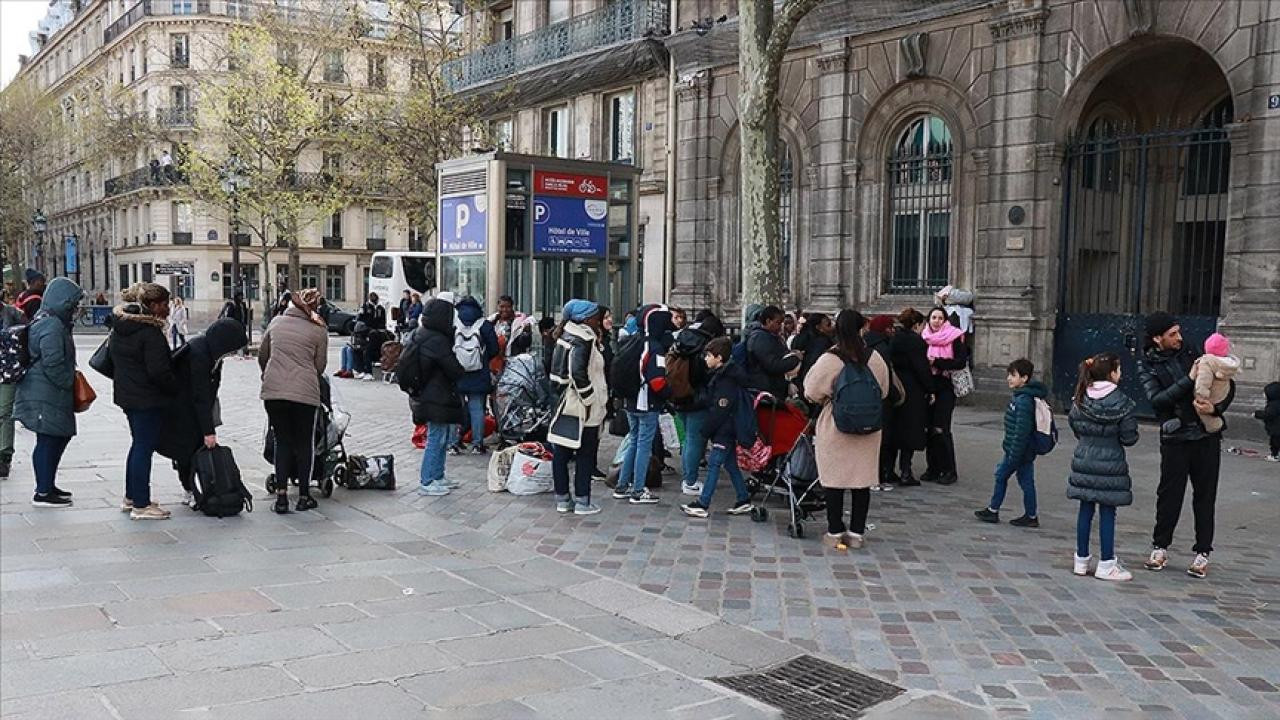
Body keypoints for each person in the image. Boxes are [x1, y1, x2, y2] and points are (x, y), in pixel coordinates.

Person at [1139, 312, 1234, 579]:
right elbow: (1158, 400)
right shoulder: (1148, 364)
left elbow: (1226, 385)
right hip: (1175, 439)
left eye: (1179, 331)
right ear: (1157, 338)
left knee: (1205, 495)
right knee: (1169, 494)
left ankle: (1203, 552)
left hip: (1205, 435)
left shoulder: (1193, 351)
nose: (1179, 338)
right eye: (1172, 334)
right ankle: (1160, 547)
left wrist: (1215, 409)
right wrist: (1189, 379)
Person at [803, 310, 890, 551]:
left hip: (836, 425)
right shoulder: (875, 357)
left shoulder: (830, 359)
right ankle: (857, 533)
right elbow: (884, 390)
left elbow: (811, 391)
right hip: (869, 427)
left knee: (834, 480)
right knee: (862, 480)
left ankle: (834, 530)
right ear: (862, 328)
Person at [157, 318, 247, 507]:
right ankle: (191, 489)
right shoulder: (200, 355)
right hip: (183, 410)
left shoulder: (209, 352)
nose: (232, 353)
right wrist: (208, 431)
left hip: (189, 408)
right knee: (188, 450)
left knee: (192, 449)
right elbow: (200, 395)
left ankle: (193, 488)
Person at [110, 282, 179, 520]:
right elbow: (159, 371)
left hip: (128, 394)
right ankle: (141, 504)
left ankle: (132, 496)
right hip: (147, 398)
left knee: (138, 445)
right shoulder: (149, 333)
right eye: (164, 304)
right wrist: (174, 388)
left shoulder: (121, 328)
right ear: (152, 305)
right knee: (143, 448)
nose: (168, 309)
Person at [1069, 352, 1139, 581]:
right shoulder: (1122, 402)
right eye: (1118, 369)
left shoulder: (1080, 397)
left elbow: (1075, 426)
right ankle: (1106, 562)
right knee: (1108, 511)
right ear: (1112, 373)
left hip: (1084, 458)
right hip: (1111, 462)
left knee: (1085, 509)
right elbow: (1129, 437)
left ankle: (1081, 559)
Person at [14, 278, 84, 507]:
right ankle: (43, 491)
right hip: (46, 391)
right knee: (48, 438)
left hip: (47, 390)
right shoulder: (51, 325)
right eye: (73, 303)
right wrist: (67, 382)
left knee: (57, 436)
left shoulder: (47, 320)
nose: (75, 308)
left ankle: (47, 484)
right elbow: (52, 361)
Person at [259, 288, 328, 513]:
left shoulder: (276, 322)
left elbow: (263, 355)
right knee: (304, 443)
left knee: (282, 441)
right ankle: (304, 496)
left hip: (274, 393)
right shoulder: (319, 329)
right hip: (304, 394)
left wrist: (269, 374)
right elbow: (320, 366)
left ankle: (281, 498)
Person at [680, 337, 753, 518]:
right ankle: (743, 498)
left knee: (714, 464)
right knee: (730, 465)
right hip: (727, 427)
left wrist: (706, 430)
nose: (705, 358)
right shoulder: (724, 375)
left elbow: (721, 409)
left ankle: (703, 503)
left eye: (709, 355)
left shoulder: (726, 379)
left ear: (719, 358)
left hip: (724, 429)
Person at [548, 300, 608, 515]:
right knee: (585, 454)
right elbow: (578, 372)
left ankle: (563, 499)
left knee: (561, 453)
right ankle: (583, 501)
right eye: (595, 317)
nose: (598, 320)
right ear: (585, 319)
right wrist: (590, 398)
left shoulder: (566, 335)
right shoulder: (583, 339)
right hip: (582, 406)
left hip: (565, 403)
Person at [975, 358, 1046, 527]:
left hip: (1017, 450)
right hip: (1022, 450)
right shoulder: (1022, 397)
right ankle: (1030, 515)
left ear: (1024, 378)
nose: (1009, 378)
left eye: (1013, 375)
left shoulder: (1023, 400)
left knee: (1002, 476)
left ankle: (994, 510)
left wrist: (1014, 454)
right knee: (1026, 482)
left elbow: (1021, 431)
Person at [614, 304, 673, 504]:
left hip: (631, 400)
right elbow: (657, 381)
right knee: (643, 446)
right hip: (647, 402)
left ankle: (622, 485)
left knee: (634, 441)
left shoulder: (634, 341)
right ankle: (638, 490)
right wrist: (668, 395)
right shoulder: (655, 348)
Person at [408, 298, 466, 496]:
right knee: (436, 437)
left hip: (427, 393)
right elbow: (453, 368)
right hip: (436, 396)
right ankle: (428, 480)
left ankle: (438, 475)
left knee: (440, 436)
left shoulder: (420, 333)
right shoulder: (437, 340)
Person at [671, 312, 725, 497]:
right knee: (694, 440)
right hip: (698, 397)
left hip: (679, 394)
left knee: (688, 439)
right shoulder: (705, 346)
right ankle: (690, 481)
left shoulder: (682, 338)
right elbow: (705, 374)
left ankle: (688, 477)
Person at [921, 307, 968, 485]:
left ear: (945, 320)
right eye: (933, 317)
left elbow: (960, 362)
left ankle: (949, 470)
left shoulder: (954, 336)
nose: (936, 321)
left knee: (941, 428)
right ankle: (932, 468)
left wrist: (937, 362)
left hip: (946, 387)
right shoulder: (924, 337)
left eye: (940, 318)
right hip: (929, 386)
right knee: (929, 429)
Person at [452, 295, 499, 455]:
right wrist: (483, 360)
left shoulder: (454, 323)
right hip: (479, 373)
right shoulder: (483, 324)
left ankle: (453, 443)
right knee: (477, 409)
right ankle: (477, 444)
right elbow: (494, 348)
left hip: (457, 372)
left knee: (456, 408)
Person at [889, 309, 930, 486]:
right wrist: (930, 388)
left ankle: (888, 470)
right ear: (916, 325)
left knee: (895, 430)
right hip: (913, 389)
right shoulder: (916, 342)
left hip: (896, 387)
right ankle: (906, 471)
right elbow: (921, 368)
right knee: (910, 431)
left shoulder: (894, 338)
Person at [863, 314, 900, 491]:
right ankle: (877, 476)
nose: (893, 331)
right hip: (882, 399)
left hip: (869, 397)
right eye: (890, 327)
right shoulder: (882, 348)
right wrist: (894, 395)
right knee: (883, 440)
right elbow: (886, 376)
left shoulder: (866, 344)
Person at [744, 305, 802, 399]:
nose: (780, 326)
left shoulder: (768, 336)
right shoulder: (760, 338)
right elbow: (773, 365)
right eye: (778, 323)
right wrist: (795, 359)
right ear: (768, 321)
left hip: (771, 386)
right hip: (765, 389)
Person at [0, 290, 27, 479]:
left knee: (5, 412)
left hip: (7, 370)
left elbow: (27, 332)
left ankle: (4, 456)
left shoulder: (12, 313)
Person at [1190, 332, 1239, 435]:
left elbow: (1204, 379)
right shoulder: (1227, 364)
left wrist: (1201, 394)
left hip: (1208, 394)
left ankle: (1214, 426)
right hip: (1222, 393)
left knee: (1203, 412)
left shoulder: (1206, 362)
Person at [793, 312, 833, 387]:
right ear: (818, 327)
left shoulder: (800, 338)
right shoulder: (823, 343)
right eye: (828, 325)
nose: (832, 327)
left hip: (800, 381)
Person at [354, 292, 387, 380]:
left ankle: (368, 372)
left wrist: (379, 328)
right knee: (359, 350)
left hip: (376, 334)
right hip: (366, 332)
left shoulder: (380, 309)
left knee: (367, 351)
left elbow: (383, 322)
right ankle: (361, 370)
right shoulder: (365, 307)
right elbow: (360, 318)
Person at [1256, 381, 1280, 462]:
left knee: (1275, 444)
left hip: (1276, 429)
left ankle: (1274, 456)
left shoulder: (1273, 405)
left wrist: (1257, 414)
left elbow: (1268, 414)